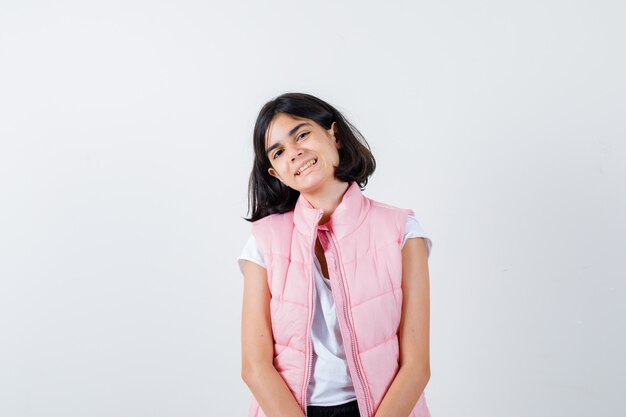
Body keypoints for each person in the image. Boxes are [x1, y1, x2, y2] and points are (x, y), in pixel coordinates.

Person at [237, 92, 432, 417]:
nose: (295, 152)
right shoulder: (263, 241)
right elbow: (255, 367)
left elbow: (416, 367)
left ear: (334, 134)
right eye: (279, 152)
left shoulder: (402, 230)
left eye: (302, 134)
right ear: (276, 173)